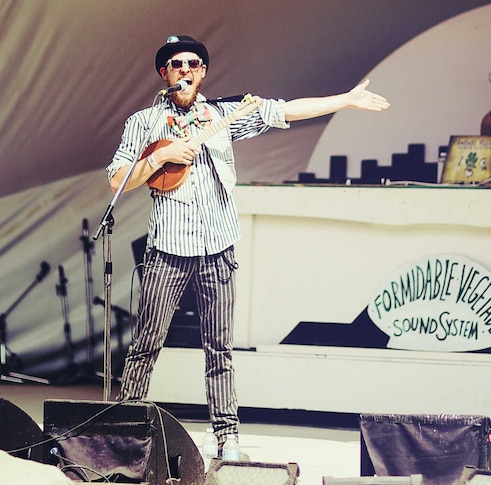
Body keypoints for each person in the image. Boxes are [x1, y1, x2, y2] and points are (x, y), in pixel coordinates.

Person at [106, 35, 389, 453]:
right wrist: (158, 159)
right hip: (167, 248)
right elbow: (117, 181)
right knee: (147, 342)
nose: (186, 69)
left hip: (218, 246)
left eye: (194, 63)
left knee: (219, 347)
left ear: (203, 72)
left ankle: (226, 435)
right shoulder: (142, 122)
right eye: (176, 63)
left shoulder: (223, 114)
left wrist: (344, 100)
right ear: (164, 74)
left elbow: (286, 109)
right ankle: (122, 427)